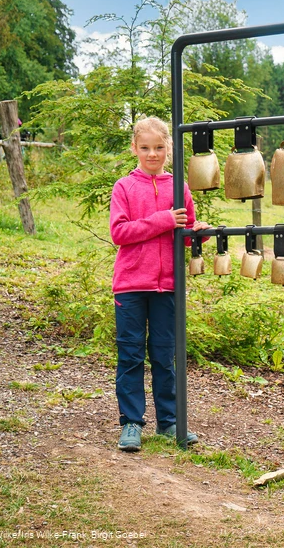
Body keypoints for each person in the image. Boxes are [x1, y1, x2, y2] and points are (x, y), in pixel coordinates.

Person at [110, 116, 210, 452]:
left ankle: (169, 422)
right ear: (134, 148)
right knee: (131, 355)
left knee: (165, 356)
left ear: (169, 147)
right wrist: (163, 220)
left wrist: (197, 235)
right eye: (145, 148)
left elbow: (183, 234)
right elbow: (119, 233)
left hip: (167, 287)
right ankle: (132, 424)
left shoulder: (178, 187)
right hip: (130, 286)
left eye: (159, 147)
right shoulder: (124, 187)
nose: (152, 154)